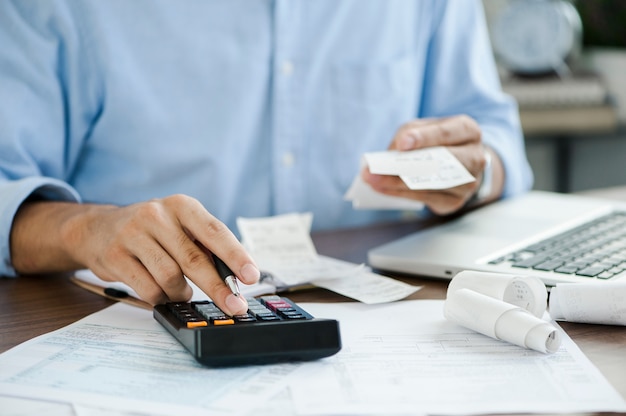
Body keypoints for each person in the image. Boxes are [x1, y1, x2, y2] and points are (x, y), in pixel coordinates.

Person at [0, 1, 533, 316]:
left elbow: (497, 139)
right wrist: (84, 229)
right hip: (138, 321)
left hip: (393, 326)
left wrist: (480, 168)